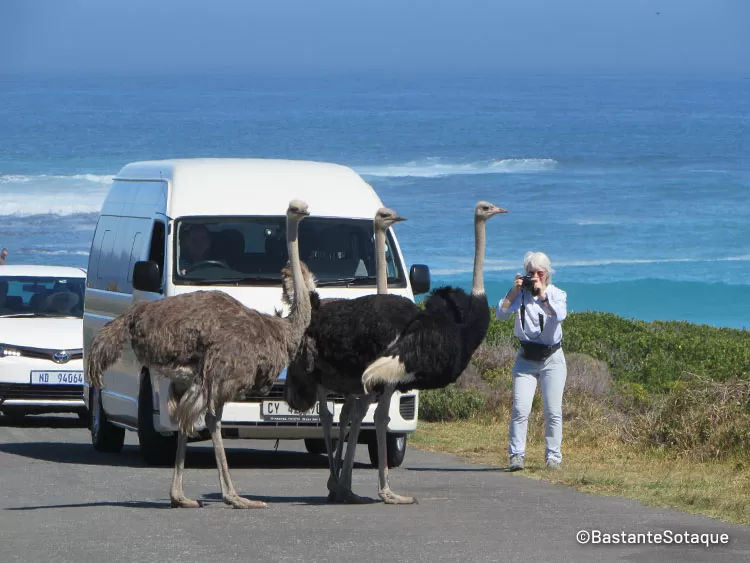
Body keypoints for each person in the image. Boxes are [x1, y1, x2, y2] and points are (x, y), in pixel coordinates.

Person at [495, 251, 568, 471]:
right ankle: (516, 456)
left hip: (552, 358)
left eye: (540, 273)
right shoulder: (521, 296)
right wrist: (515, 289)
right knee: (520, 408)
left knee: (553, 411)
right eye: (531, 273)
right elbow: (500, 314)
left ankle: (553, 457)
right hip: (526, 358)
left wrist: (542, 294)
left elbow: (559, 315)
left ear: (547, 274)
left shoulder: (556, 293)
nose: (535, 276)